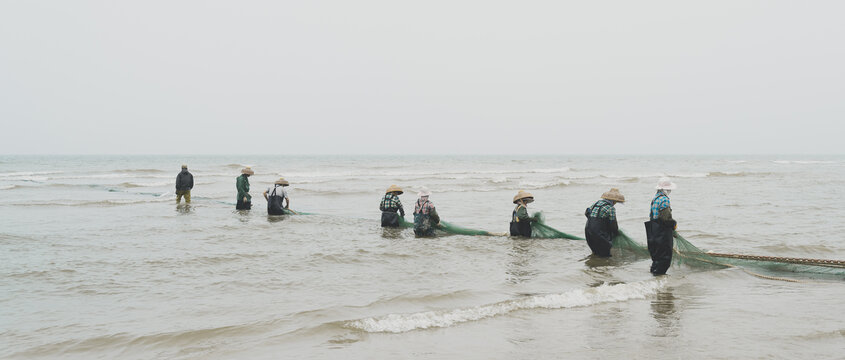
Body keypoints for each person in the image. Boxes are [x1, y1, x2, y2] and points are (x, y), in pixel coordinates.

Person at [645, 177, 677, 275]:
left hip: (654, 231)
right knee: (664, 258)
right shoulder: (664, 199)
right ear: (666, 189)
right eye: (669, 189)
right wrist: (674, 224)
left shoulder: (655, 198)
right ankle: (659, 280)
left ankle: (654, 277)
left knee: (657, 256)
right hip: (662, 233)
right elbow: (666, 218)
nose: (670, 191)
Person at [584, 188, 625, 257]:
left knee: (595, 252)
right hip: (598, 233)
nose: (615, 203)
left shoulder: (597, 203)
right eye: (616, 202)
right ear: (614, 201)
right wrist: (616, 233)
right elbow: (613, 225)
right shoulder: (610, 208)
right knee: (605, 254)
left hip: (588, 230)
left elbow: (587, 213)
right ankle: (603, 266)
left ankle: (595, 265)